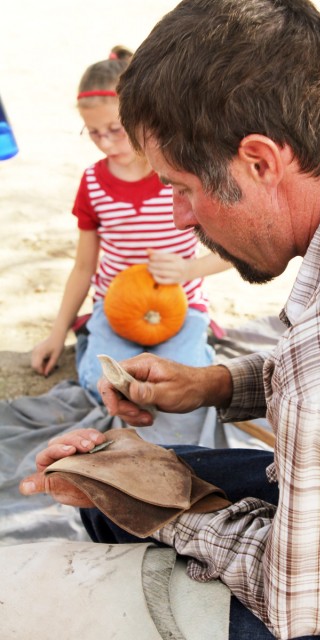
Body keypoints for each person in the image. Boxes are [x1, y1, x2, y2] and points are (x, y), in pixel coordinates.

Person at [21, 1, 320, 639]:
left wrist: (157, 506)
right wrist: (212, 385)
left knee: (117, 499)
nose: (180, 218)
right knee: (113, 486)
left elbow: (311, 608)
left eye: (181, 187)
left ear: (260, 161)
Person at [31, 46, 230, 441]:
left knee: (179, 386)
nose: (105, 142)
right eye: (94, 133)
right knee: (98, 382)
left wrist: (189, 270)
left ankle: (200, 345)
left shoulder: (179, 172)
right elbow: (84, 266)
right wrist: (57, 333)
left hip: (180, 306)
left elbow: (231, 250)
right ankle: (94, 338)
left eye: (115, 130)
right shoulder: (92, 183)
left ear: (139, 118)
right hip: (116, 306)